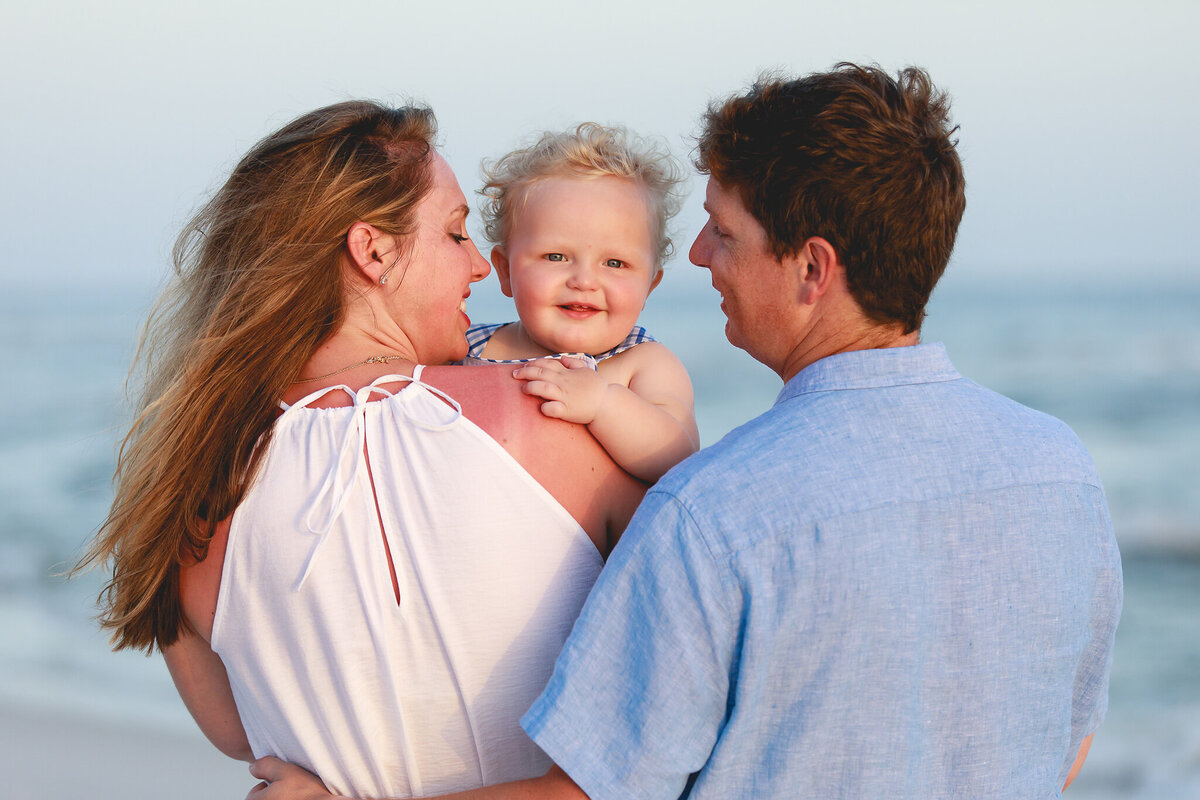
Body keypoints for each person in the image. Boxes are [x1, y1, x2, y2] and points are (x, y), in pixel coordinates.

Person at [252, 64, 1123, 799]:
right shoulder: (1062, 472)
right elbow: (1066, 750)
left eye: (725, 231)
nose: (699, 256)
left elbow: (593, 790)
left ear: (814, 268)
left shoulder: (714, 511)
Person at [78, 101, 645, 799]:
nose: (477, 266)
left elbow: (238, 736)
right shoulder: (557, 412)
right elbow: (652, 735)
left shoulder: (189, 497)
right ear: (372, 250)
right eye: (456, 233)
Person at [466, 123, 698, 482]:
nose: (584, 281)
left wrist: (603, 403)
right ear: (505, 271)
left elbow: (678, 458)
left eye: (615, 263)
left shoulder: (641, 364)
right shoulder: (469, 348)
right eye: (556, 257)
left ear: (649, 286)